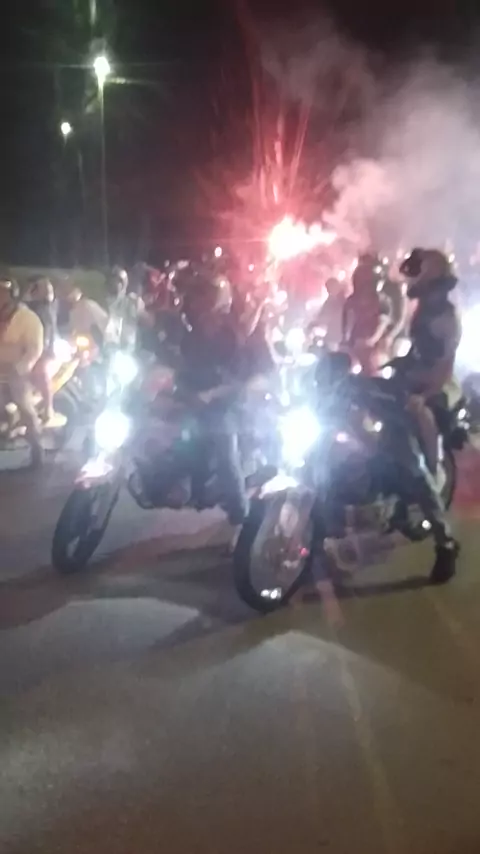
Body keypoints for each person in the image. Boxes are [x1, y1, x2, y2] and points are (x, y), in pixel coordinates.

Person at [398, 247, 461, 582]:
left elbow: (443, 369)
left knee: (414, 461)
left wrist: (421, 395)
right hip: (411, 379)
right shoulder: (421, 310)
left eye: (421, 272)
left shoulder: (447, 318)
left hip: (437, 388)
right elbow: (412, 349)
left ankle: (445, 541)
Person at [179, 275, 249, 537]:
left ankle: (240, 512)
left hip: (223, 404)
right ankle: (194, 490)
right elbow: (182, 366)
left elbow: (237, 381)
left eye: (207, 298)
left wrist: (210, 395)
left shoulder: (230, 336)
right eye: (199, 298)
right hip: (194, 399)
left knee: (226, 455)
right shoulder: (191, 334)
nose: (201, 305)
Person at [0, 275, 45, 467]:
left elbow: (34, 349)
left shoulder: (27, 318)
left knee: (25, 407)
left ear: (12, 295)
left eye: (2, 293)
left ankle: (36, 447)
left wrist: (19, 369)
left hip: (19, 373)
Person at [23, 276, 65, 427]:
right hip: (29, 350)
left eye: (49, 287)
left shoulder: (50, 306)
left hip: (48, 352)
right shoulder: (26, 309)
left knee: (41, 371)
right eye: (44, 288)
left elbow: (48, 336)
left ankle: (48, 409)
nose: (48, 291)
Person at [342, 253, 393, 373]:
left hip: (374, 346)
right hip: (356, 343)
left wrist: (371, 340)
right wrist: (346, 341)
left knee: (372, 372)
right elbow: (347, 322)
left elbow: (382, 322)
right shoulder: (352, 300)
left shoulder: (381, 300)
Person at [105, 266, 145, 350]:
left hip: (124, 347)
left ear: (124, 284)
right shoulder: (101, 301)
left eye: (119, 281)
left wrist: (139, 306)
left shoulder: (130, 301)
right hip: (103, 345)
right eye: (113, 280)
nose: (115, 283)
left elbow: (134, 321)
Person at [308, 276, 347, 349]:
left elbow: (325, 316)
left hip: (334, 338)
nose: (328, 291)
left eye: (329, 288)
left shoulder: (334, 301)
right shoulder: (342, 299)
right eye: (327, 289)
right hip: (339, 338)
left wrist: (313, 323)